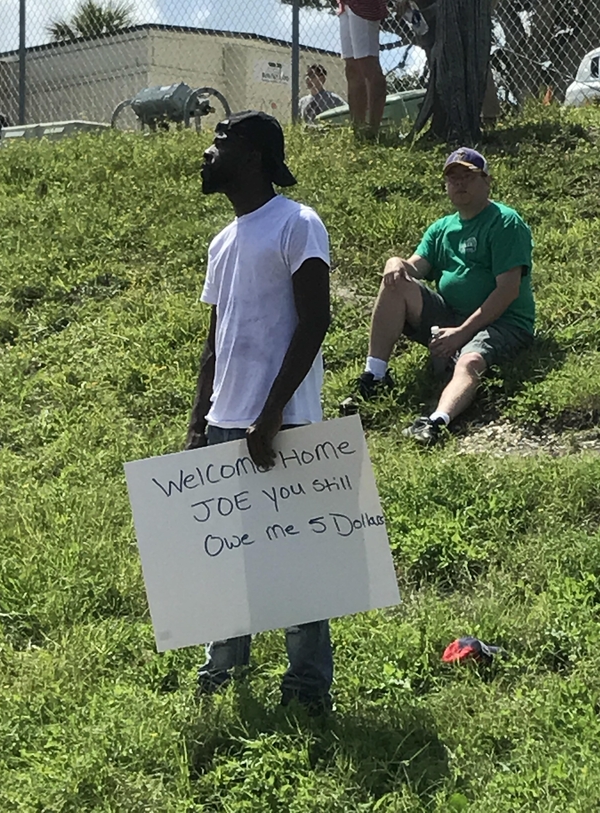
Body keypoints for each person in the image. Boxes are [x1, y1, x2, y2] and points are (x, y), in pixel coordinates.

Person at [185, 110, 333, 712]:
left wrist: (271, 413)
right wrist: (199, 421)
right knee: (228, 556)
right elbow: (216, 338)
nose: (207, 153)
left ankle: (305, 689)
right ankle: (223, 668)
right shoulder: (222, 241)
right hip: (226, 419)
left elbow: (315, 321)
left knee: (295, 561)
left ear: (252, 155)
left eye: (220, 143)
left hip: (284, 421)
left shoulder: (297, 225)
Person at [341, 147, 535, 446]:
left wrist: (461, 334)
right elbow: (416, 267)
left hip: (503, 322)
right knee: (395, 283)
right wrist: (396, 262)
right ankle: (374, 377)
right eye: (452, 178)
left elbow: (508, 291)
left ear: (487, 181)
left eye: (468, 176)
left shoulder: (505, 222)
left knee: (469, 360)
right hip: (452, 316)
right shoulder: (443, 228)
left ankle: (436, 421)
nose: (459, 183)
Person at [338, 0, 388, 136]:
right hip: (345, 6)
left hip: (365, 6)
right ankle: (358, 130)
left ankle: (373, 130)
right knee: (352, 68)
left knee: (369, 65)